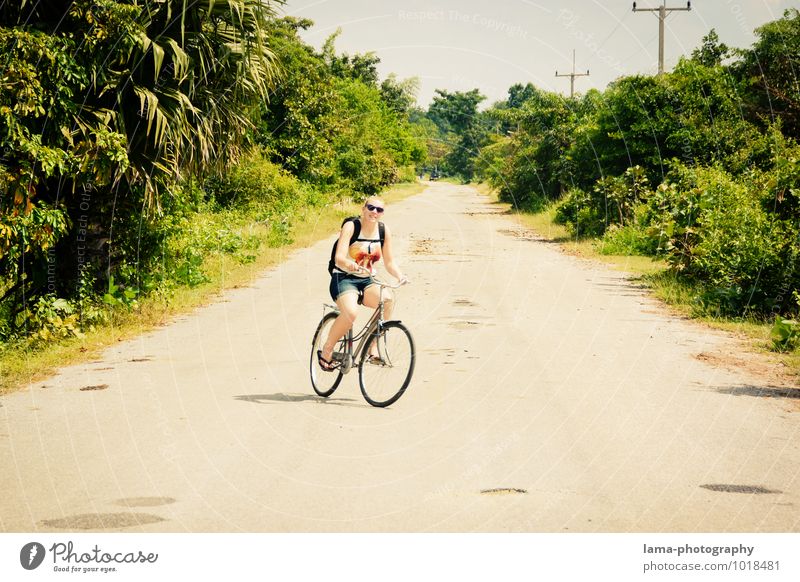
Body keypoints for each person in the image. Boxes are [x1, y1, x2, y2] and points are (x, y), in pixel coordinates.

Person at [318, 196, 407, 371]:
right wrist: (349, 264)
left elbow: (389, 262)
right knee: (350, 313)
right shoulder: (351, 226)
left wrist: (399, 275)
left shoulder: (383, 230)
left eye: (379, 210)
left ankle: (372, 347)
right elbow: (339, 257)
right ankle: (327, 350)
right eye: (371, 207)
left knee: (387, 300)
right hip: (343, 278)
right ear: (363, 208)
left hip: (367, 280)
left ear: (382, 213)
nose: (374, 212)